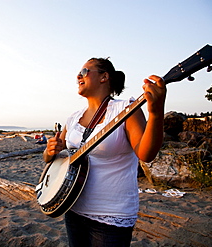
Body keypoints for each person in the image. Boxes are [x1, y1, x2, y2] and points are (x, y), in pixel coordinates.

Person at [43, 57, 166, 247]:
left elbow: (146, 154)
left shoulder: (126, 109)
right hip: (72, 207)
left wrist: (156, 114)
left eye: (84, 71)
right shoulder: (73, 118)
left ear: (104, 77)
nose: (78, 76)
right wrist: (50, 152)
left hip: (111, 216)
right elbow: (55, 159)